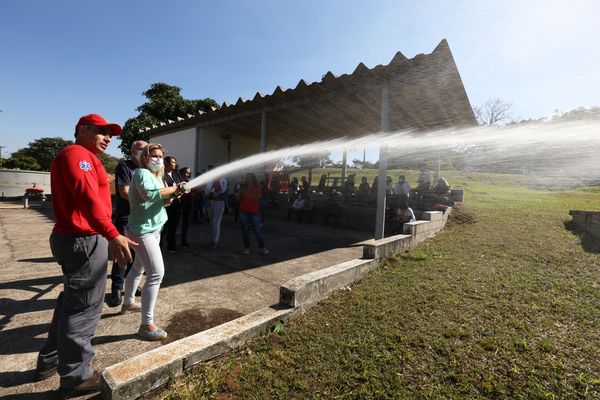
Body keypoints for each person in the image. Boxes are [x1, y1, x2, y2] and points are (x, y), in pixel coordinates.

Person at [35, 114, 135, 397]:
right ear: (83, 129)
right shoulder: (77, 155)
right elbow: (86, 197)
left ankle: (50, 360)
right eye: (102, 132)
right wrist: (111, 233)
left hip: (78, 238)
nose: (108, 138)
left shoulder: (85, 157)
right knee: (84, 309)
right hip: (83, 238)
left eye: (110, 134)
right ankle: (76, 378)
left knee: (71, 301)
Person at [121, 143, 187, 341]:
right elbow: (148, 195)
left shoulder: (158, 177)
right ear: (144, 158)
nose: (158, 159)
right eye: (154, 155)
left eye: (160, 156)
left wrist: (175, 194)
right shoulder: (141, 173)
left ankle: (128, 303)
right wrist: (175, 188)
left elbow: (162, 202)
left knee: (137, 269)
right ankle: (146, 325)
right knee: (156, 273)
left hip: (153, 229)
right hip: (143, 231)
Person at [106, 140, 148, 308]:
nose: (145, 152)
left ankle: (131, 284)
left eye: (147, 149)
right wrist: (143, 200)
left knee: (136, 255)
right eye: (142, 149)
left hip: (141, 219)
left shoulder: (146, 169)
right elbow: (124, 192)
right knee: (122, 254)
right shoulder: (125, 167)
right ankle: (116, 288)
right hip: (126, 217)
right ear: (133, 152)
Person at [237, 173, 269, 255]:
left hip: (254, 212)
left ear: (253, 179)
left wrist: (247, 193)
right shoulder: (242, 187)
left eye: (250, 178)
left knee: (257, 231)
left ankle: (262, 248)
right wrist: (239, 194)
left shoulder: (257, 187)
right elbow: (237, 200)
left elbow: (257, 198)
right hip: (243, 211)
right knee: (245, 231)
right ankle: (247, 248)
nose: (248, 180)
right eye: (247, 178)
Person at [205, 165, 229, 250]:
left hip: (219, 202)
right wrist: (211, 194)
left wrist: (218, 194)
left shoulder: (223, 180)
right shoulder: (210, 180)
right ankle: (212, 240)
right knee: (212, 222)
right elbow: (207, 192)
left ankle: (215, 241)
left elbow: (225, 191)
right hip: (211, 202)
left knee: (216, 223)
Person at [161, 156, 182, 253]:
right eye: (172, 162)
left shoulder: (176, 174)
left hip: (177, 204)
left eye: (175, 162)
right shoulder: (162, 174)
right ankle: (159, 247)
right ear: (167, 163)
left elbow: (181, 184)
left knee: (173, 226)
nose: (175, 164)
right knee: (163, 227)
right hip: (167, 204)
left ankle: (171, 246)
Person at [178, 166, 193, 248]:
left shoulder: (188, 181)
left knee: (186, 224)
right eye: (185, 172)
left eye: (188, 173)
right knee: (174, 223)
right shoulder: (178, 181)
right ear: (182, 172)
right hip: (180, 205)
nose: (187, 174)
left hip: (188, 205)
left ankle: (183, 240)